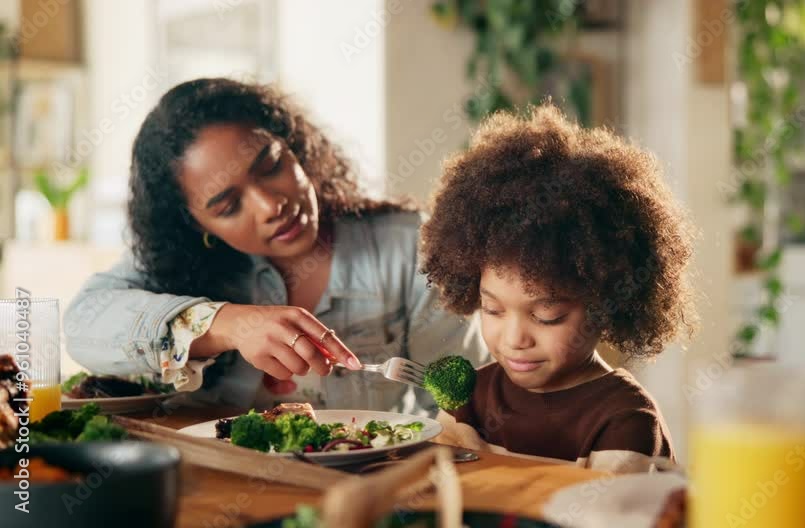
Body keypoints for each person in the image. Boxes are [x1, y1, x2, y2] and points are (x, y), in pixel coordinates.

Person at [64, 78, 487, 414]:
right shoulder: (176, 263)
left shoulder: (409, 249)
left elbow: (460, 402)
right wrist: (226, 324)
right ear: (196, 226)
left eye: (271, 166)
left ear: (295, 148)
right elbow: (83, 323)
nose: (271, 206)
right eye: (229, 206)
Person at [419, 104, 696, 472]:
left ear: (608, 305)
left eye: (547, 316)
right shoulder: (468, 397)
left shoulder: (625, 420)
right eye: (493, 309)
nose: (515, 337)